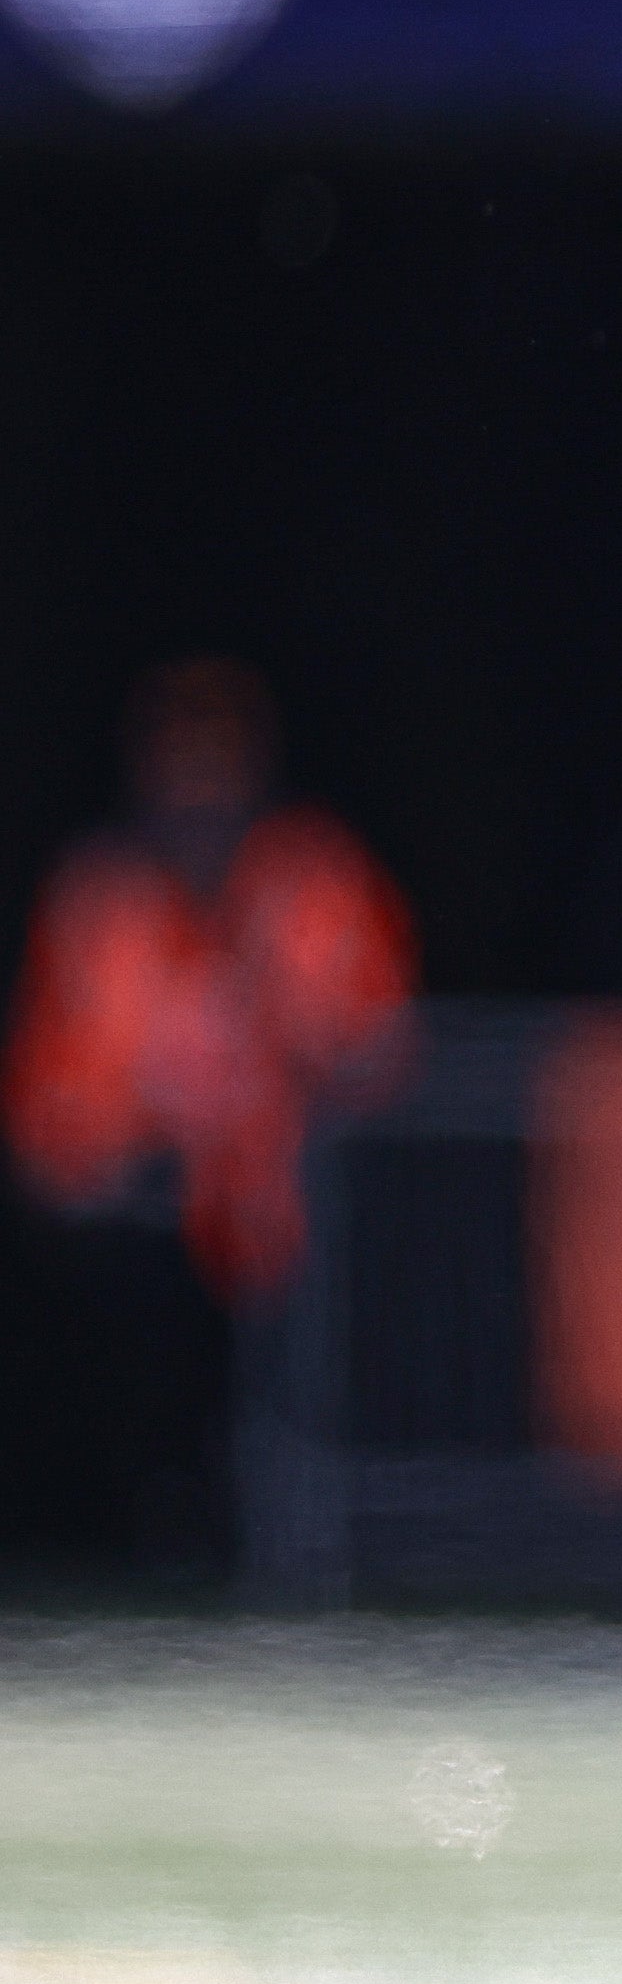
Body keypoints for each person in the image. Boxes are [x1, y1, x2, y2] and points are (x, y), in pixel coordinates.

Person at [7, 661, 414, 1550]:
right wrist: (100, 1165)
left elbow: (381, 1050)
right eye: (178, 763)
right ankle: (114, 1527)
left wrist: (286, 1011)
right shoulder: (100, 896)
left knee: (332, 1282)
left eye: (216, 763)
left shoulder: (307, 875)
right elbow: (55, 1093)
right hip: (137, 1219)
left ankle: (292, 1534)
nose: (197, 792)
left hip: (292, 1215)